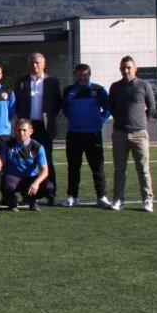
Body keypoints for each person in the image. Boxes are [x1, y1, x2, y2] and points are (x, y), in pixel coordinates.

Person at [108, 56, 157, 212]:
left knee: (143, 168)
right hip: (119, 133)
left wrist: (141, 123)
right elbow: (111, 107)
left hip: (139, 134)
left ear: (135, 69)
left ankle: (147, 200)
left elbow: (152, 107)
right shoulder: (115, 87)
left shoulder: (144, 85)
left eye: (129, 67)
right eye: (123, 68)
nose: (126, 70)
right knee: (119, 169)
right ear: (120, 69)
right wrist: (121, 121)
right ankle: (118, 200)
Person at [61, 63, 111, 208]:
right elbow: (65, 109)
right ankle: (72, 196)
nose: (82, 78)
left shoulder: (98, 90)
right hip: (74, 135)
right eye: (79, 75)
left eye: (84, 75)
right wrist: (75, 120)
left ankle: (101, 197)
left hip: (93, 134)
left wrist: (100, 120)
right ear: (75, 75)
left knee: (97, 167)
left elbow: (109, 108)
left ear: (89, 75)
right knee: (73, 167)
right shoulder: (68, 91)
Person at [14, 52, 62, 204]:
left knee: (47, 160)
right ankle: (27, 194)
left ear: (44, 64)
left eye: (37, 63)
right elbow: (17, 104)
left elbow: (57, 103)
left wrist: (49, 118)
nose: (34, 65)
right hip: (27, 127)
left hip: (44, 126)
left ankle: (51, 193)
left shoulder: (52, 82)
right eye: (32, 63)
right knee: (26, 160)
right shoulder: (21, 82)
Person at [0, 119, 53, 211]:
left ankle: (30, 198)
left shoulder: (37, 147)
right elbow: (1, 163)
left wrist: (36, 183)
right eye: (19, 130)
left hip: (31, 178)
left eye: (24, 130)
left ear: (31, 131)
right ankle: (12, 199)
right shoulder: (7, 145)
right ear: (15, 130)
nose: (21, 133)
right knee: (5, 184)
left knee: (49, 187)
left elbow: (45, 170)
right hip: (13, 178)